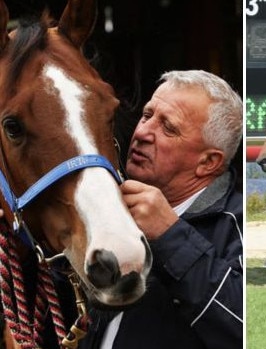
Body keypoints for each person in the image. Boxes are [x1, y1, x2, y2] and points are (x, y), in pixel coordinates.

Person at [79, 70, 243, 348]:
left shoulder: (237, 221)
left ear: (208, 163)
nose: (142, 132)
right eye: (147, 115)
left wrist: (171, 235)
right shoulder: (107, 208)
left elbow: (243, 327)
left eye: (168, 127)